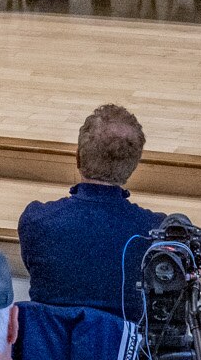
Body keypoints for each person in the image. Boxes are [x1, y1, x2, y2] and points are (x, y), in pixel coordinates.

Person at [15, 104, 160, 321]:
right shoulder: (155, 231)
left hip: (48, 352)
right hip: (124, 354)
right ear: (133, 167)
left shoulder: (36, 220)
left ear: (78, 158)